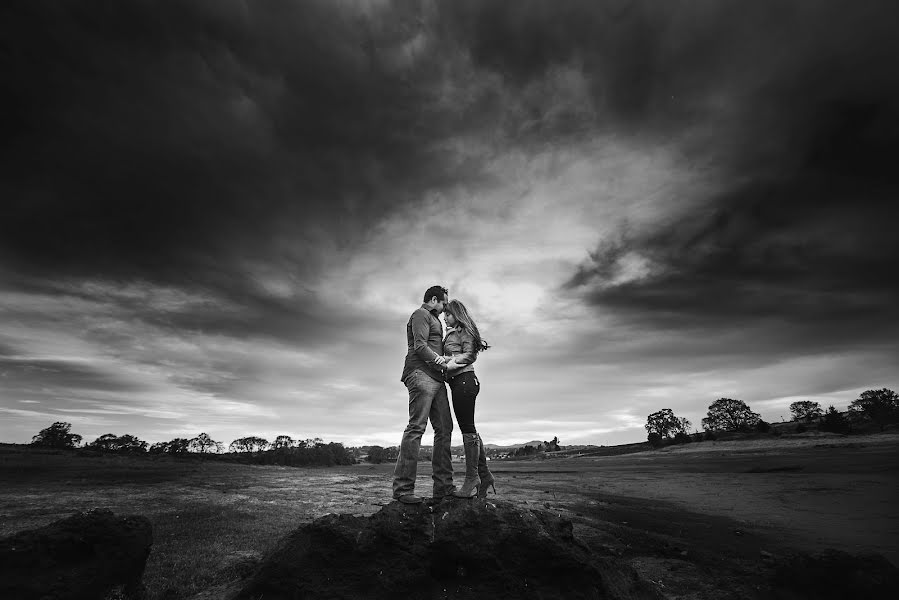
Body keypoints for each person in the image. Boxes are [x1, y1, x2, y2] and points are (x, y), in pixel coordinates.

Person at [393, 285, 455, 504]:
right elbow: (420, 346)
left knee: (445, 428)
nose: (445, 307)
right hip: (420, 374)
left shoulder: (435, 319)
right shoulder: (420, 314)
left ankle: (444, 488)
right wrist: (438, 360)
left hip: (438, 378)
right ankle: (402, 490)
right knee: (416, 428)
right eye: (444, 303)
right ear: (434, 299)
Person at [442, 299, 494, 498]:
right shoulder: (453, 332)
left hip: (464, 381)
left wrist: (449, 361)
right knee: (469, 428)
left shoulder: (463, 329)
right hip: (460, 383)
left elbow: (470, 355)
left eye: (447, 314)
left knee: (468, 429)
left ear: (456, 314)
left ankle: (473, 478)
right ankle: (485, 474)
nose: (445, 317)